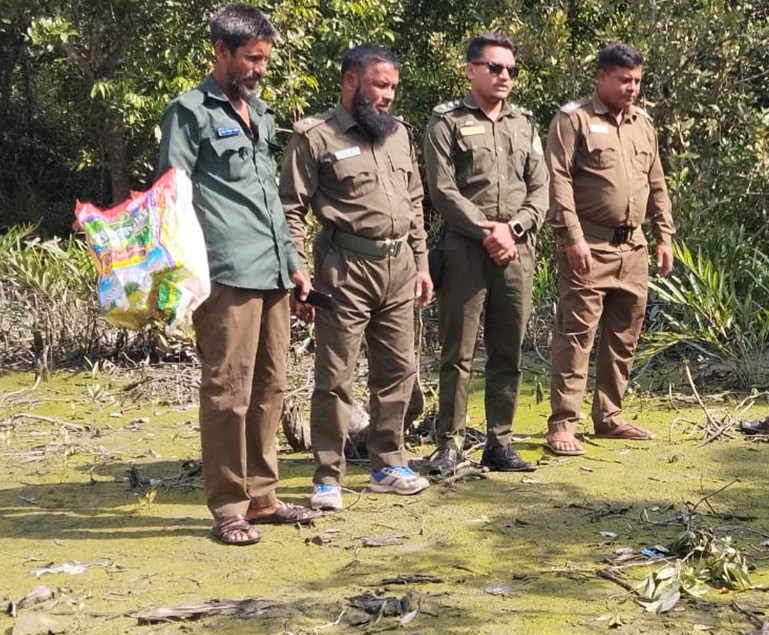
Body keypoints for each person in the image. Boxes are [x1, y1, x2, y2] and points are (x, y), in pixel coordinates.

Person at [156, 4, 320, 545]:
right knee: (229, 391)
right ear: (221, 52)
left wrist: (295, 265)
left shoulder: (262, 112)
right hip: (224, 272)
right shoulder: (188, 111)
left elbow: (270, 197)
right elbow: (171, 194)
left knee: (271, 386)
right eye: (251, 58)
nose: (259, 68)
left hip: (272, 269)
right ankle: (228, 507)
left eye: (264, 59)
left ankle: (263, 496)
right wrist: (179, 273)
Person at [278, 44, 434, 510]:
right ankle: (327, 476)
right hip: (343, 270)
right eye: (379, 85)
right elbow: (290, 209)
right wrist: (297, 271)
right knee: (335, 377)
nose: (387, 96)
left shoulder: (398, 135)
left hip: (399, 266)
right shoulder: (315, 137)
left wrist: (422, 264)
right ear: (351, 82)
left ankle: (388, 463)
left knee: (398, 371)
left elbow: (415, 205)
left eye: (392, 87)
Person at [421, 31, 549, 475]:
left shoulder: (524, 123)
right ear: (470, 70)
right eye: (495, 67)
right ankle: (450, 442)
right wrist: (487, 230)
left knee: (507, 350)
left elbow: (541, 188)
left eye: (511, 70)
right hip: (465, 252)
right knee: (457, 351)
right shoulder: (446, 122)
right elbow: (442, 190)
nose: (504, 76)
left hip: (516, 251)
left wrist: (512, 230)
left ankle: (500, 442)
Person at [542, 43, 676, 457]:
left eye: (636, 80)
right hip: (589, 247)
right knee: (577, 335)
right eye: (623, 79)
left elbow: (657, 181)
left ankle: (609, 416)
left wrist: (664, 236)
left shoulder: (643, 125)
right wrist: (572, 237)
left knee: (623, 336)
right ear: (601, 77)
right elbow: (558, 180)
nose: (631, 87)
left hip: (633, 249)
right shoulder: (574, 120)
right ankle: (563, 422)